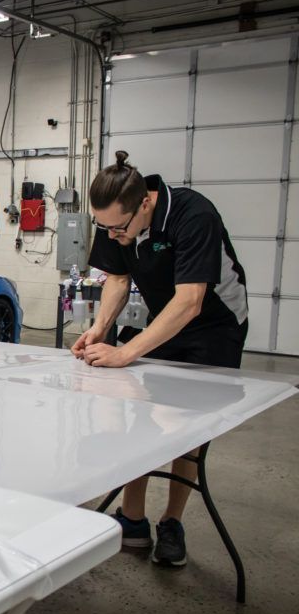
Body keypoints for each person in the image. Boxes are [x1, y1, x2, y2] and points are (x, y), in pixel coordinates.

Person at [71, 150, 248, 568]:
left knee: (186, 425)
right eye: (104, 227)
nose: (113, 235)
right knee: (140, 417)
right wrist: (99, 329)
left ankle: (172, 522)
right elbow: (117, 277)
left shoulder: (194, 215)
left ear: (145, 204)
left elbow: (190, 302)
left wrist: (127, 351)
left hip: (213, 326)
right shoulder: (117, 218)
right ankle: (133, 519)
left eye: (118, 228)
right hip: (163, 319)